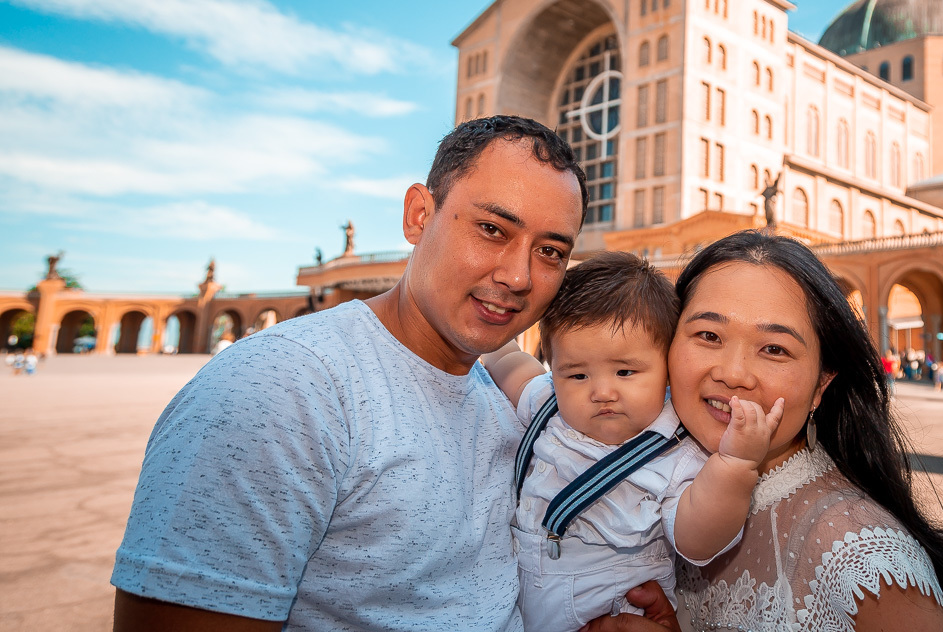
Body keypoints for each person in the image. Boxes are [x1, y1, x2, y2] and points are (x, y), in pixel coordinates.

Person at [110, 116, 589, 631]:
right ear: (418, 215)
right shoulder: (281, 388)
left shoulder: (497, 402)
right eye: (492, 229)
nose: (518, 276)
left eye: (550, 252)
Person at [588, 231, 943, 631]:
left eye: (774, 349)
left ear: (822, 384)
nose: (732, 374)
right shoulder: (649, 475)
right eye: (708, 336)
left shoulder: (865, 563)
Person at [482, 252, 782, 631]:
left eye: (625, 371)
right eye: (577, 376)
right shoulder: (548, 402)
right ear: (554, 369)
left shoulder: (679, 453)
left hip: (615, 613)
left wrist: (736, 466)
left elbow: (697, 541)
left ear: (668, 368)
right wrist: (488, 334)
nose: (602, 391)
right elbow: (510, 363)